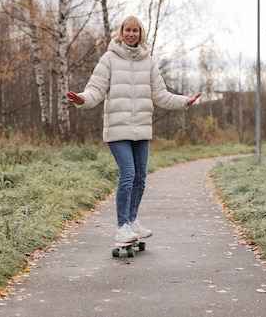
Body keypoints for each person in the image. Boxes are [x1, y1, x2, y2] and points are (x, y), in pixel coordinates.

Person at [67, 15, 201, 244]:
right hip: (117, 129)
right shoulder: (108, 59)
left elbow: (160, 94)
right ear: (121, 32)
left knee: (140, 178)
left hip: (142, 128)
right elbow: (96, 90)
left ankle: (132, 220)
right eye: (127, 30)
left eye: (135, 31)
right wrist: (81, 99)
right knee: (128, 174)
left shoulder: (148, 62)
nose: (131, 34)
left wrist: (184, 102)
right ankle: (121, 226)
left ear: (141, 34)